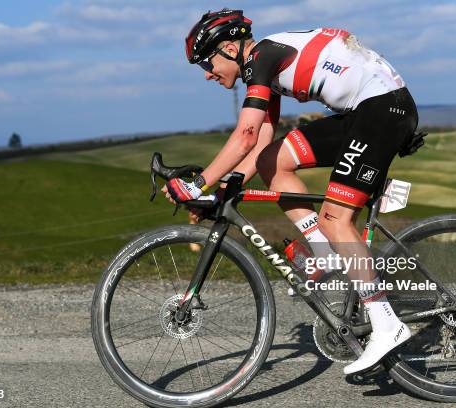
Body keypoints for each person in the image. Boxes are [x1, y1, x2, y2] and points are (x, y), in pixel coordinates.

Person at [162, 9, 420, 375]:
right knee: (272, 161)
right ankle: (323, 252)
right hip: (365, 111)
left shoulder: (262, 57)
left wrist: (197, 184)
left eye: (207, 61)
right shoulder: (264, 64)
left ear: (231, 47)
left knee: (336, 219)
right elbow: (262, 140)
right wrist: (223, 188)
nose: (207, 73)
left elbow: (245, 134)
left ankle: (386, 324)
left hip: (382, 109)